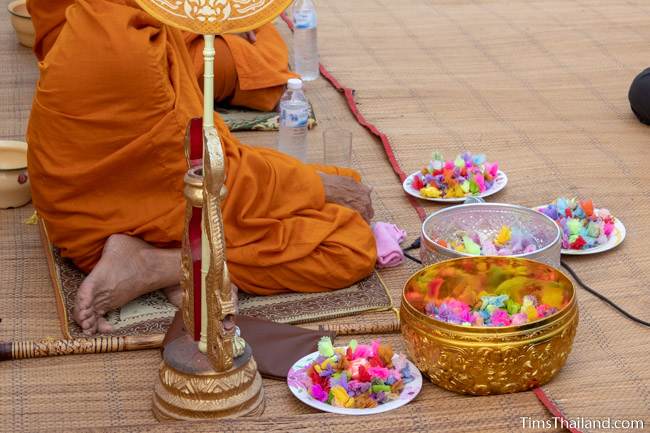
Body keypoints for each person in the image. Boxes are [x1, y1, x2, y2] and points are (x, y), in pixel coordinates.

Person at [26, 0, 377, 336]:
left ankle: (158, 259)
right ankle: (164, 266)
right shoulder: (130, 46)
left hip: (81, 219)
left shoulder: (98, 18)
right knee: (349, 244)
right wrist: (316, 187)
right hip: (136, 210)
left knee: (338, 181)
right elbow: (209, 175)